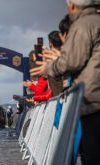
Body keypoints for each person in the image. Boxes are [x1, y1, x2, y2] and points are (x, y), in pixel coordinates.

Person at [31, 0, 100, 164]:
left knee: (91, 155)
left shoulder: (84, 24)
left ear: (74, 5)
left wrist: (49, 67)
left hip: (92, 100)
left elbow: (72, 61)